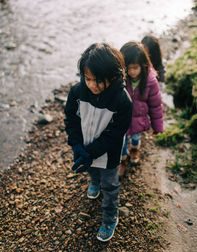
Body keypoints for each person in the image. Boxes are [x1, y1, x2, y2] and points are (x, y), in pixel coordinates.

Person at [64, 43, 132, 241]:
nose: (92, 85)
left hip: (109, 154)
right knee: (91, 169)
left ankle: (110, 217)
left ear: (112, 76)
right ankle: (94, 182)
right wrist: (77, 145)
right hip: (84, 148)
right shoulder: (77, 92)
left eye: (98, 81)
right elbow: (71, 119)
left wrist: (91, 152)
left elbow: (115, 134)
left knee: (110, 185)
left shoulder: (122, 100)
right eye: (88, 79)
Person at [118, 41, 163, 177]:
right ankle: (123, 159)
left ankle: (135, 149)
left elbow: (156, 105)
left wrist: (157, 126)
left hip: (139, 119)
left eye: (135, 68)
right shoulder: (119, 79)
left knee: (136, 137)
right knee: (122, 141)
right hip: (122, 119)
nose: (131, 72)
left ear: (143, 65)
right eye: (127, 68)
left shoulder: (150, 81)